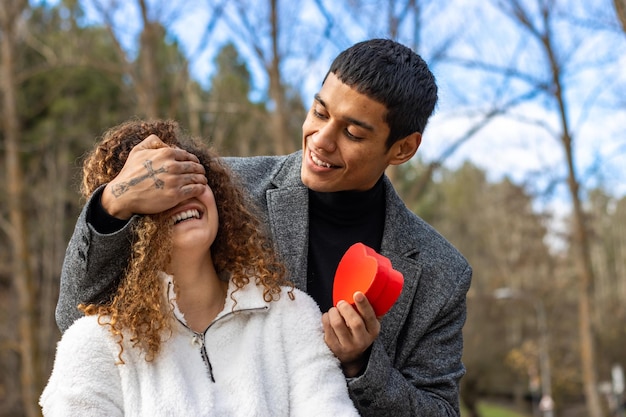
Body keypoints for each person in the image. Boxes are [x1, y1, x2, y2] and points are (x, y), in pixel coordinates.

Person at [56, 39, 472, 416]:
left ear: (403, 148)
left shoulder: (442, 272)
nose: (321, 140)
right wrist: (112, 204)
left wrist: (362, 366)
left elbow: (440, 410)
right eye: (319, 112)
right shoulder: (220, 192)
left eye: (351, 132)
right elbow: (77, 314)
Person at [41, 119, 359, 416]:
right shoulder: (96, 344)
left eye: (190, 175)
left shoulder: (291, 317)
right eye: (158, 187)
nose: (182, 193)